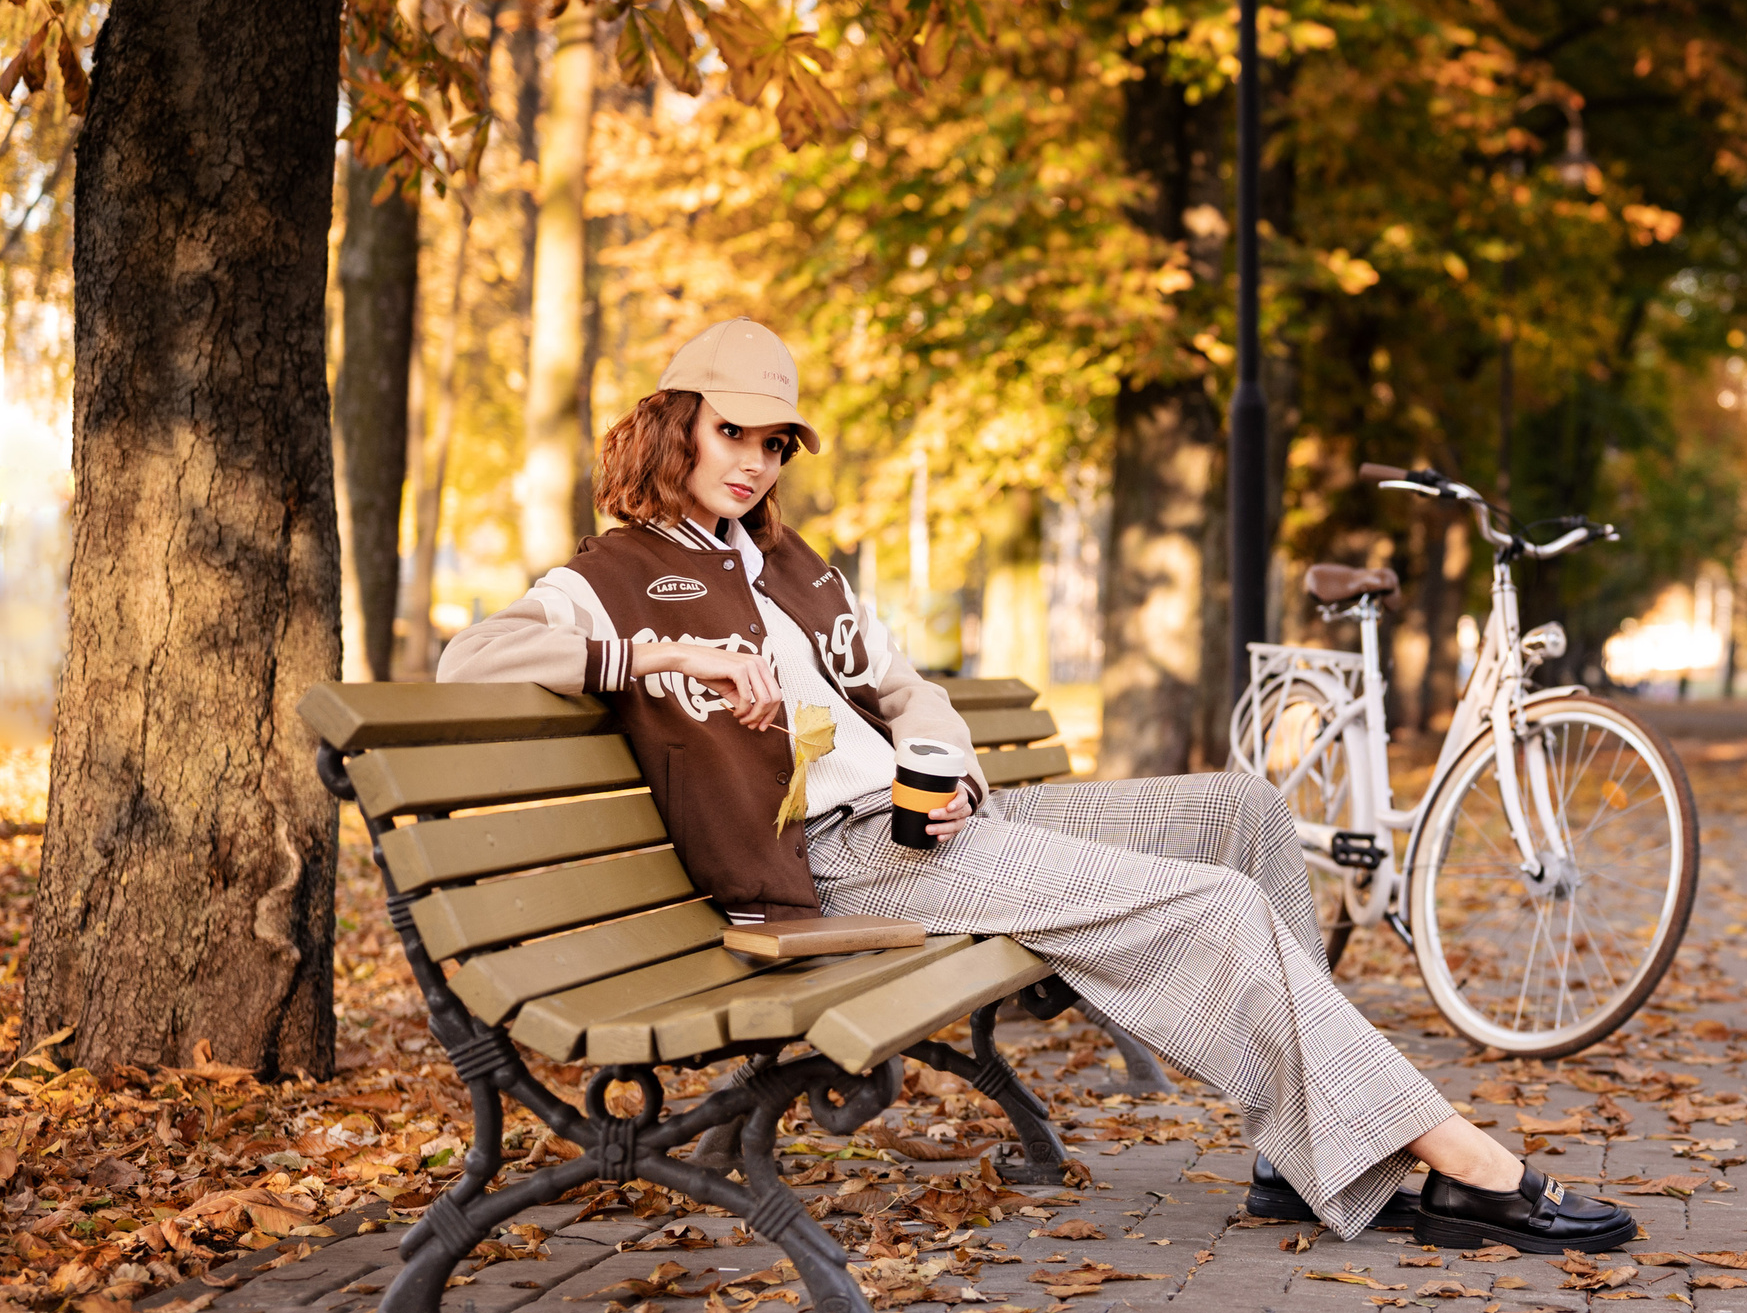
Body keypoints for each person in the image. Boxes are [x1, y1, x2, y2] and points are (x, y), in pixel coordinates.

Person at [440, 319, 1634, 1254]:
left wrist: (942, 764)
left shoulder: (797, 568)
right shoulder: (614, 575)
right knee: (1210, 907)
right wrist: (663, 654)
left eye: (774, 444)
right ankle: (1451, 1158)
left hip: (933, 823)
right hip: (844, 860)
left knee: (1243, 811)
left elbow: (913, 697)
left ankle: (1295, 1147)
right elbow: (471, 660)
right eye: (733, 435)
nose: (754, 462)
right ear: (676, 428)